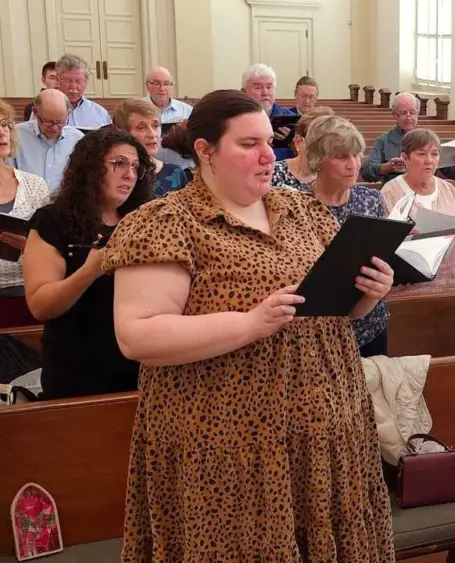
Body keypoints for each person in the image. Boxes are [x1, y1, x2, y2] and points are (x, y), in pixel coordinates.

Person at [102, 90, 396, 561]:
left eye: (267, 142)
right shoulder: (167, 221)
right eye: (248, 144)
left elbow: (340, 312)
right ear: (205, 150)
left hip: (325, 433)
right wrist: (249, 323)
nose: (267, 155)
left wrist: (369, 292)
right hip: (227, 442)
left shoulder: (301, 211)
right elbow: (137, 335)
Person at [21, 128, 151, 399]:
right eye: (119, 164)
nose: (130, 175)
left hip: (141, 366)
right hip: (78, 369)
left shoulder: (143, 220)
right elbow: (41, 305)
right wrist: (90, 271)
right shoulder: (54, 220)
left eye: (135, 167)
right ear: (90, 168)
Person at [305, 114, 393, 357]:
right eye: (341, 156)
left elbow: (382, 256)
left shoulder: (371, 200)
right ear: (318, 159)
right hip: (320, 333)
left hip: (371, 325)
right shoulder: (298, 205)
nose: (353, 165)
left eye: (356, 155)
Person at [381, 128, 455, 295]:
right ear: (405, 158)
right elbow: (382, 245)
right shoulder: (390, 193)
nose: (429, 160)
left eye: (434, 154)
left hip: (453, 287)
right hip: (409, 292)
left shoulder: (449, 190)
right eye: (421, 154)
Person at [0, 99, 49, 328]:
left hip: (29, 295)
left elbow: (52, 247)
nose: (2, 132)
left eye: (5, 124)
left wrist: (31, 247)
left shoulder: (34, 185)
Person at [361, 92, 455, 183]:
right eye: (403, 113)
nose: (409, 117)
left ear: (417, 113)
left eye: (412, 112)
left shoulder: (430, 139)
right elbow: (366, 172)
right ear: (395, 114)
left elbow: (454, 174)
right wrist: (388, 167)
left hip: (427, 191)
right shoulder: (384, 141)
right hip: (396, 193)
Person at [111, 98, 190, 197]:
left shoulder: (175, 173)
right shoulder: (113, 176)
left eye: (156, 126)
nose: (152, 134)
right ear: (123, 133)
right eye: (141, 127)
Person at [13, 89, 84, 190]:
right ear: (35, 112)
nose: (54, 128)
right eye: (48, 122)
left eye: (60, 122)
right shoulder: (16, 135)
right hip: (26, 198)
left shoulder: (77, 139)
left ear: (68, 113)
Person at [35, 53, 111, 128]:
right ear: (58, 80)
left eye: (79, 81)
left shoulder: (100, 113)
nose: (73, 86)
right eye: (67, 80)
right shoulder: (43, 108)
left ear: (86, 82)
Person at [270, 106, 335, 191]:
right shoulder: (273, 172)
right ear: (298, 141)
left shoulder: (335, 176)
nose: (325, 149)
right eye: (317, 142)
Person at [242, 63, 296, 160]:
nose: (265, 93)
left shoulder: (293, 119)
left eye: (269, 87)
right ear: (244, 92)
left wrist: (292, 143)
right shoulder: (235, 121)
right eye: (258, 87)